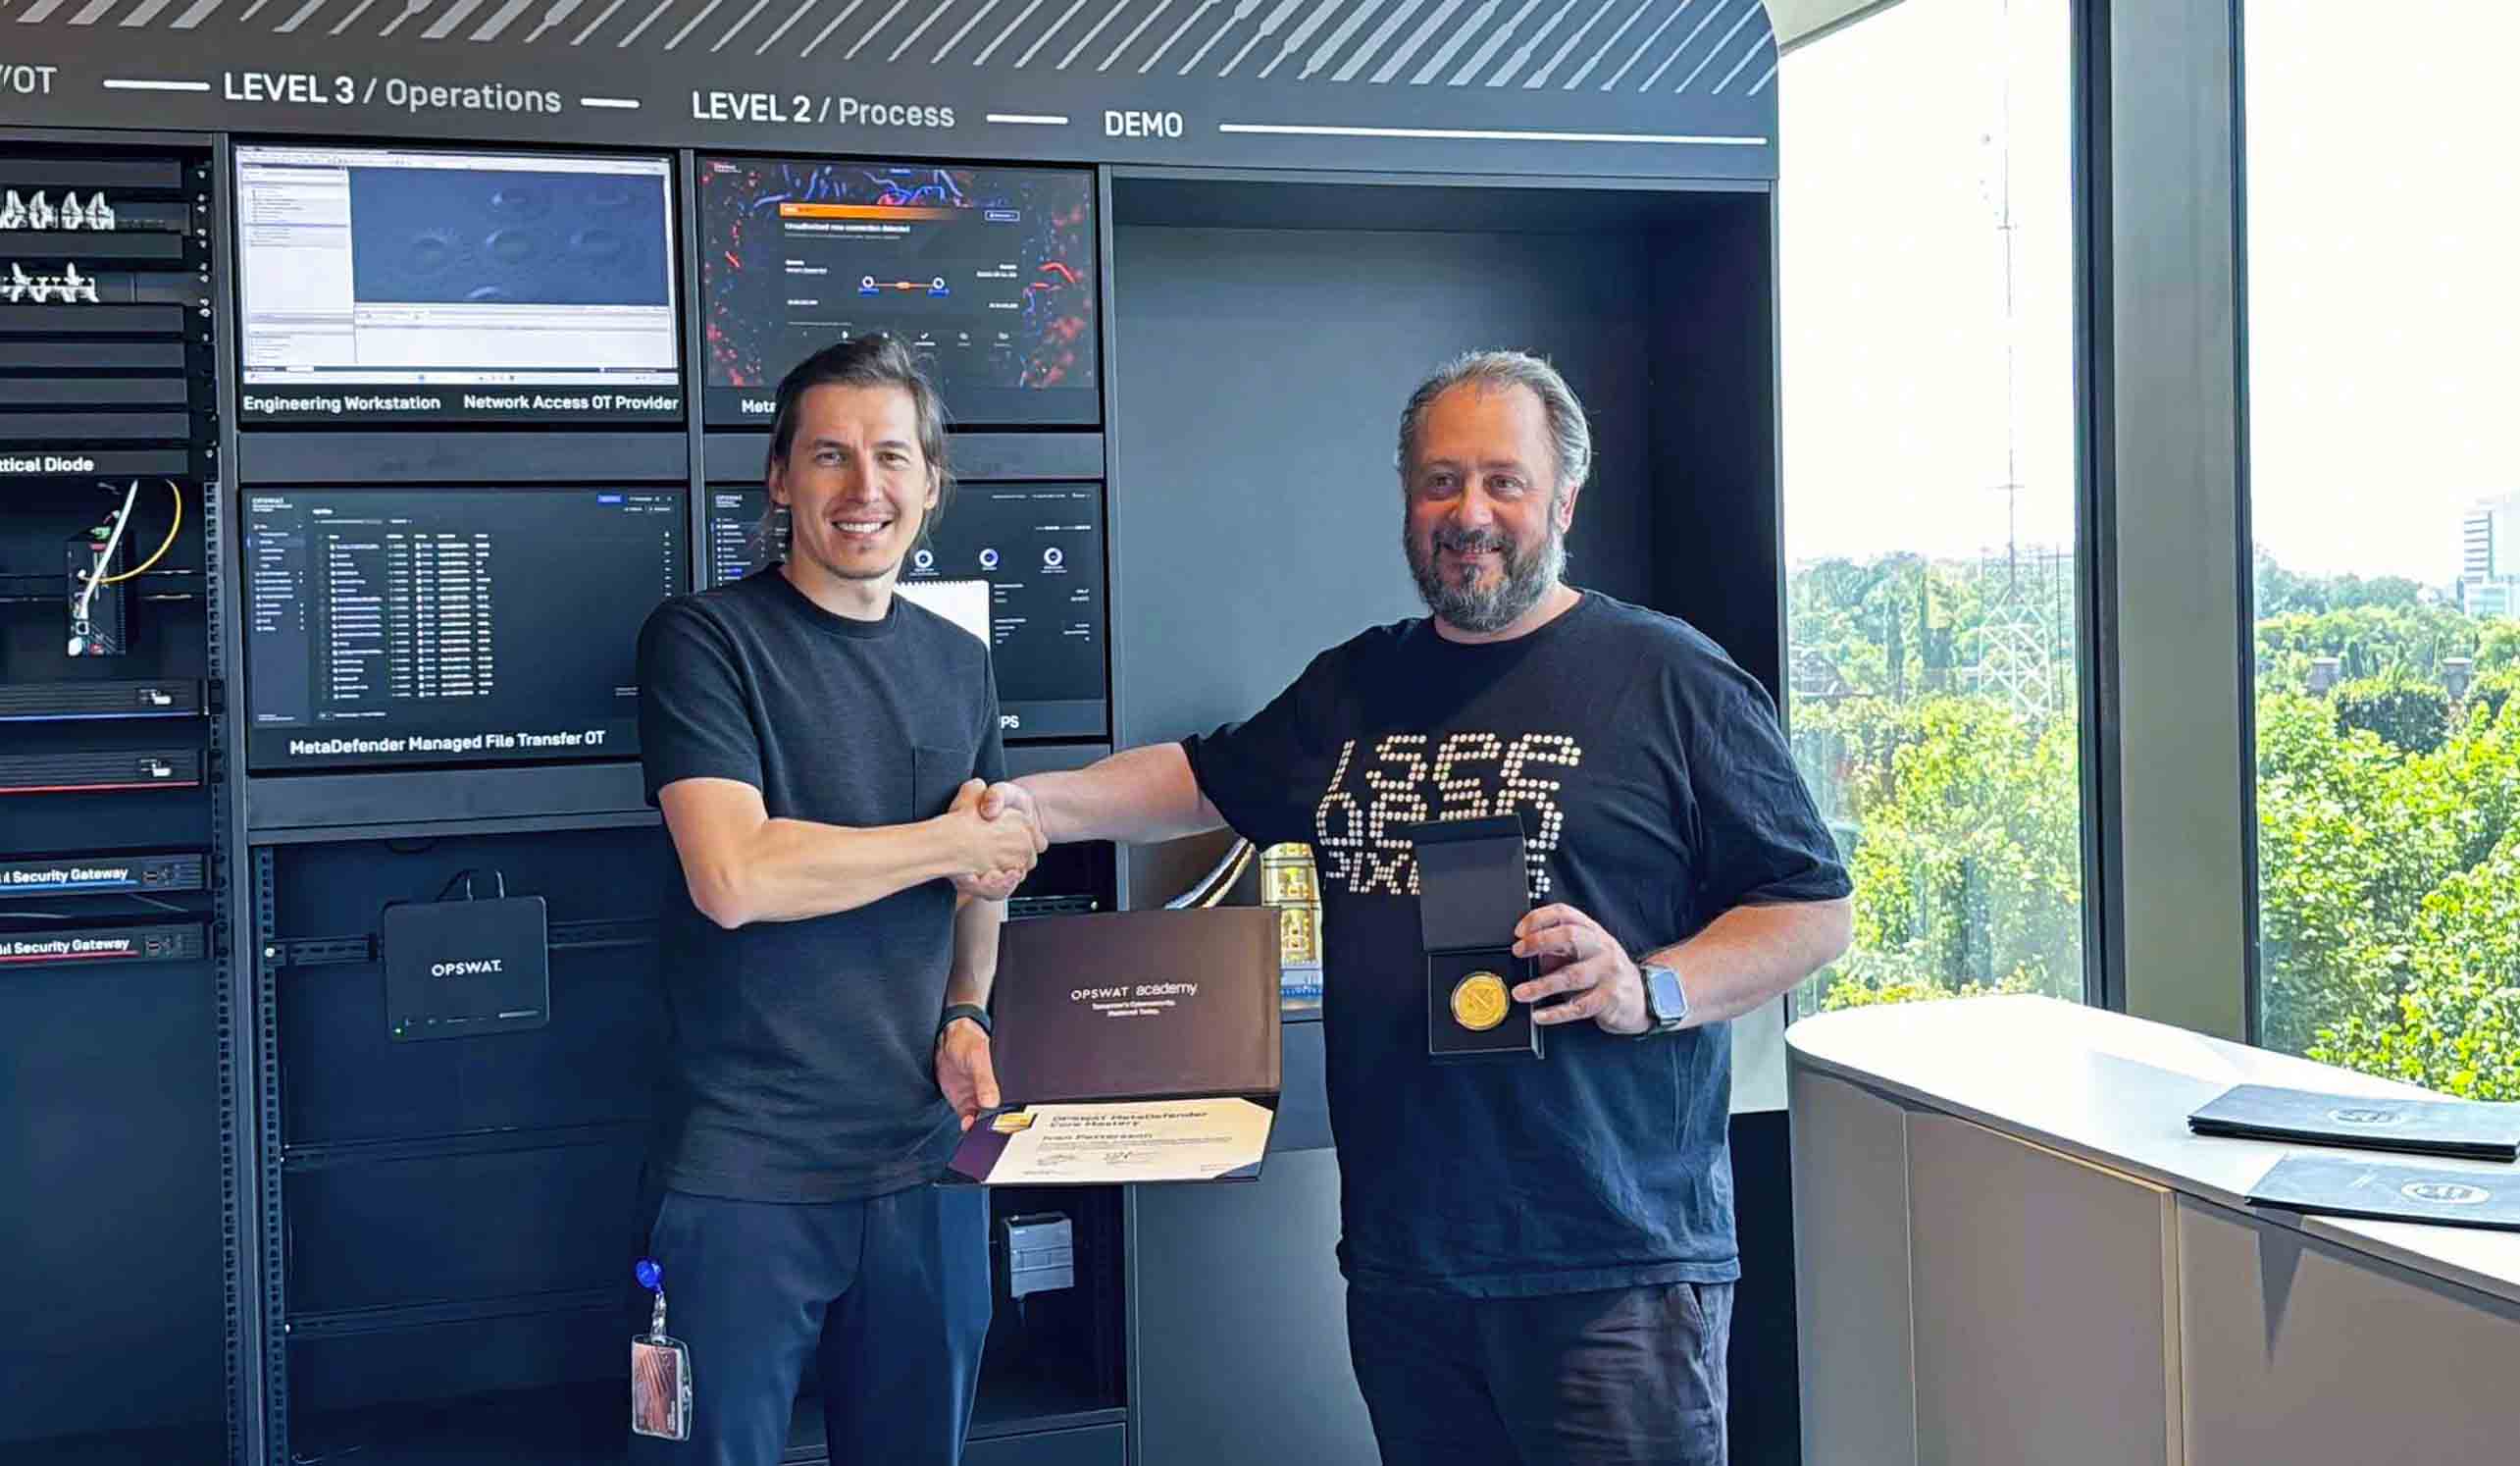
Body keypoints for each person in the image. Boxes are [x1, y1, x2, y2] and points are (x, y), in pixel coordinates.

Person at [991, 350, 1853, 1465]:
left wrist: (1652, 987)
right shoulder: (1356, 685)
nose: (1469, 513)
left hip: (1611, 1269)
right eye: (1440, 482)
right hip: (1408, 1266)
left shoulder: (1669, 679)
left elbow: (1812, 908)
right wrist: (1024, 807)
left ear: (1563, 499)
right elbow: (1203, 780)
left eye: (1503, 480)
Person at [630, 334, 1044, 1466]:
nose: (866, 491)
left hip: (926, 1163)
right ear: (778, 477)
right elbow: (735, 877)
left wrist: (968, 1008)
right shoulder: (704, 641)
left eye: (892, 458)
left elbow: (980, 876)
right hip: (741, 1175)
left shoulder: (959, 664)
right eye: (830, 457)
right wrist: (949, 842)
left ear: (930, 483)